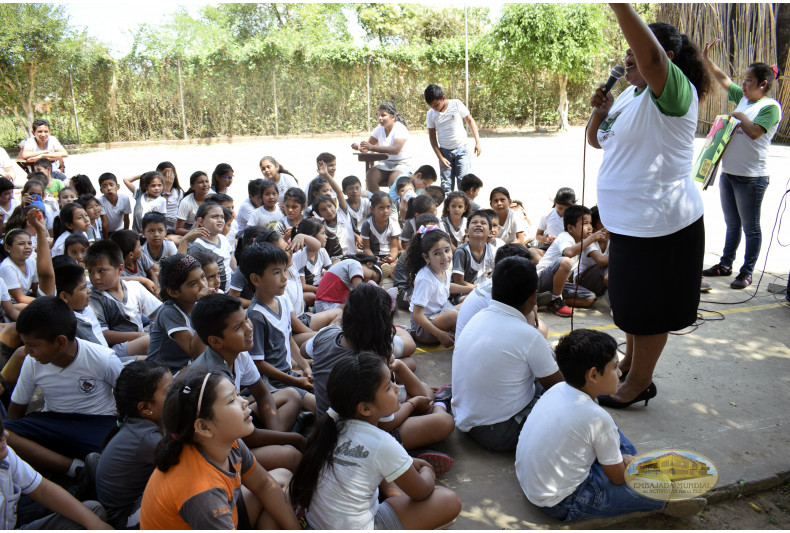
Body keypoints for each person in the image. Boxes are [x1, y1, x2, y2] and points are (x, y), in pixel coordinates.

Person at [586, 5, 710, 407]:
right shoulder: (629, 96)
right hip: (628, 227)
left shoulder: (674, 93)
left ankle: (638, 383)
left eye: (634, 51)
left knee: (649, 312)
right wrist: (599, 113)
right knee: (629, 307)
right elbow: (596, 140)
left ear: (666, 60)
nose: (628, 57)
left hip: (662, 228)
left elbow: (651, 56)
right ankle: (630, 366)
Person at [289, 352, 462, 530]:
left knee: (379, 471)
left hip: (315, 524)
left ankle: (397, 481)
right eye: (388, 387)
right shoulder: (382, 442)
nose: (397, 388)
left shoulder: (331, 426)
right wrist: (427, 470)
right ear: (365, 408)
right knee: (448, 500)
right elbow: (422, 491)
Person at [515, 329, 665, 520]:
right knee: (659, 489)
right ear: (593, 375)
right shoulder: (596, 418)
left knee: (609, 431)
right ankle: (625, 461)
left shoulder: (559, 388)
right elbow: (618, 478)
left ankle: (621, 459)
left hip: (533, 483)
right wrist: (623, 465)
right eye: (614, 367)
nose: (620, 373)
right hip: (564, 501)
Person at [139, 371, 301, 529]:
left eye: (237, 394)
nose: (244, 401)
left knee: (283, 479)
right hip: (213, 516)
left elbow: (264, 485)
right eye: (231, 401)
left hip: (224, 515)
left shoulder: (227, 441)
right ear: (203, 427)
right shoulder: (202, 492)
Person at [452, 257, 562, 452]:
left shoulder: (478, 317)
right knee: (578, 404)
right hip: (499, 432)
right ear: (533, 297)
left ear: (493, 291)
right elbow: (559, 386)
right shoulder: (529, 336)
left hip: (464, 417)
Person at [4, 296, 123, 476]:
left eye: (32, 345)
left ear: (60, 342)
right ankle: (78, 469)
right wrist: (13, 437)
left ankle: (92, 465)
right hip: (53, 421)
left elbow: (129, 398)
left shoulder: (103, 359)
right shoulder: (32, 361)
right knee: (3, 434)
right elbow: (16, 410)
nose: (26, 351)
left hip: (96, 423)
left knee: (116, 451)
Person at [190, 293, 306, 472]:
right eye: (238, 327)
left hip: (236, 426)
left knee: (291, 395)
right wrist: (293, 439)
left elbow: (262, 393)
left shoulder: (238, 352)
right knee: (292, 455)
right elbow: (245, 434)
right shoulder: (215, 378)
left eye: (246, 320)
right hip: (216, 450)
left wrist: (280, 437)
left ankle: (274, 443)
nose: (249, 328)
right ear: (215, 341)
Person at [701, 42, 782, 290]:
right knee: (732, 224)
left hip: (751, 177)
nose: (743, 84)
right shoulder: (745, 99)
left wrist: (741, 117)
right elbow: (724, 80)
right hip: (729, 174)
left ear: (763, 84)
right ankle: (726, 264)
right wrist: (706, 59)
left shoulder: (769, 107)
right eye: (743, 80)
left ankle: (746, 272)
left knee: (751, 227)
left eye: (748, 81)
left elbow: (755, 132)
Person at [95, 360, 173, 528]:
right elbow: (188, 459)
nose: (177, 394)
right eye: (170, 391)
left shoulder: (144, 424)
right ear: (145, 408)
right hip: (126, 518)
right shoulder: (147, 439)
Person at [0, 415, 111, 530]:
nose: (6, 435)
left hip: (12, 519)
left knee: (93, 512)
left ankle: (79, 490)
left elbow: (42, 490)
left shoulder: (6, 455)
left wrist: (96, 524)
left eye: (1, 429)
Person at [241, 242, 316, 411]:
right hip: (275, 385)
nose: (284, 278)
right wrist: (295, 381)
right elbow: (259, 363)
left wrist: (304, 366)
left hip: (290, 375)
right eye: (276, 272)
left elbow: (288, 338)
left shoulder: (281, 299)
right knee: (320, 406)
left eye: (284, 271)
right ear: (255, 279)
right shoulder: (257, 315)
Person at [455, 243, 546, 341]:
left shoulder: (500, 283)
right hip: (480, 346)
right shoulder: (504, 293)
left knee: (539, 327)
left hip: (468, 345)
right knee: (534, 323)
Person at [86, 240, 158, 358]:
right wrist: (138, 336)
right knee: (149, 342)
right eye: (91, 272)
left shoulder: (133, 287)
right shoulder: (94, 298)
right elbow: (103, 334)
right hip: (116, 349)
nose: (95, 277)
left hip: (141, 337)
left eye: (101, 271)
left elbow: (158, 312)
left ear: (120, 269)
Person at [406, 227, 471, 346]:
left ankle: (464, 338)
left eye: (447, 250)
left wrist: (473, 289)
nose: (444, 256)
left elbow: (446, 286)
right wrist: (440, 334)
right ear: (426, 257)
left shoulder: (443, 268)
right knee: (454, 315)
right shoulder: (425, 278)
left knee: (470, 303)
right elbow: (417, 314)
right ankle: (466, 344)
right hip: (423, 328)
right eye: (437, 253)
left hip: (439, 313)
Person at [147, 254, 211, 372]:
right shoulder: (170, 312)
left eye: (203, 277)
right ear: (174, 292)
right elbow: (196, 352)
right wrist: (204, 307)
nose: (203, 285)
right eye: (193, 284)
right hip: (164, 376)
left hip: (186, 367)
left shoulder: (195, 303)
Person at [535, 205, 602, 317]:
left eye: (590, 223)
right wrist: (592, 238)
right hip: (541, 279)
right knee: (566, 261)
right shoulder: (564, 236)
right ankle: (556, 299)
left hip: (558, 285)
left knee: (590, 298)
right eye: (585, 223)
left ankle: (548, 299)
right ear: (570, 228)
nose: (590, 227)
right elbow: (569, 253)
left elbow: (601, 260)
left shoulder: (585, 241)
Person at [424, 83, 482, 194]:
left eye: (436, 104)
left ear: (443, 98)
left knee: (464, 183)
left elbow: (470, 121)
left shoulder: (456, 104)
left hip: (462, 150)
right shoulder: (431, 114)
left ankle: (465, 210)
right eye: (431, 106)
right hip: (445, 153)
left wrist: (477, 142)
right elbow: (432, 138)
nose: (434, 108)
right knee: (446, 186)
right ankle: (448, 211)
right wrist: (440, 158)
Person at [353, 102, 415, 191]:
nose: (380, 118)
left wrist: (372, 147)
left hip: (402, 164)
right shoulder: (379, 128)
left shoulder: (400, 128)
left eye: (383, 115)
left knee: (394, 180)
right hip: (385, 163)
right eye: (378, 115)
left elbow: (396, 150)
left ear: (393, 116)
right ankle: (377, 201)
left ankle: (393, 204)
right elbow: (368, 146)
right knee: (371, 175)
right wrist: (359, 146)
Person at [182, 202, 235, 292]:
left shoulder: (223, 238)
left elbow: (233, 264)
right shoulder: (198, 247)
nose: (220, 220)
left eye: (222, 217)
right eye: (215, 217)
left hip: (227, 291)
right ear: (201, 221)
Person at [314, 254, 382, 312]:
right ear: (369, 264)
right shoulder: (355, 264)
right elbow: (361, 294)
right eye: (372, 277)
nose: (368, 281)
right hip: (326, 305)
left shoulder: (352, 273)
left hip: (326, 305)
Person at [361, 191, 401, 270]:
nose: (386, 211)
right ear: (372, 209)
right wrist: (374, 259)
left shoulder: (394, 224)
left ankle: (388, 273)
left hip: (389, 256)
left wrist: (391, 258)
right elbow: (366, 248)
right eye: (381, 207)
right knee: (369, 268)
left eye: (388, 207)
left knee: (394, 267)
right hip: (373, 256)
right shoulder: (367, 225)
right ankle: (379, 275)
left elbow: (394, 248)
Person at [0, 229, 38, 306]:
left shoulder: (31, 261)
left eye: (29, 243)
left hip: (26, 299)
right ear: (7, 248)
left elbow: (35, 289)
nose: (27, 247)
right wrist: (45, 302)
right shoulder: (7, 267)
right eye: (21, 244)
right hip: (11, 305)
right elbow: (19, 298)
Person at [175, 170, 211, 235]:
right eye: (201, 182)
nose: (205, 184)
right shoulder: (186, 202)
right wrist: (195, 232)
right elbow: (178, 229)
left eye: (207, 181)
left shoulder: (213, 198)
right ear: (192, 186)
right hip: (191, 232)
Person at [98, 172, 131, 239]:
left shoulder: (124, 199)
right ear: (101, 190)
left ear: (118, 187)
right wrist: (106, 240)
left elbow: (126, 219)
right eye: (104, 186)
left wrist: (125, 235)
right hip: (105, 232)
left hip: (119, 230)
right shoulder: (101, 201)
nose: (109, 188)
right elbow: (104, 222)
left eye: (111, 185)